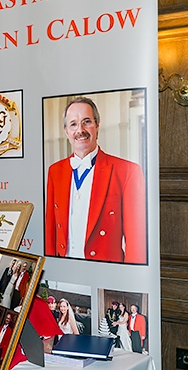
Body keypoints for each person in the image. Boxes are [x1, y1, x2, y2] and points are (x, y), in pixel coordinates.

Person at [44, 96, 147, 264]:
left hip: (106, 278)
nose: (80, 130)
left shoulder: (127, 171)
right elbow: (50, 232)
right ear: (66, 131)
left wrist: (131, 283)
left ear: (97, 125)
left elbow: (136, 241)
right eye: (73, 124)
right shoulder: (55, 172)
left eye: (86, 122)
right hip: (64, 278)